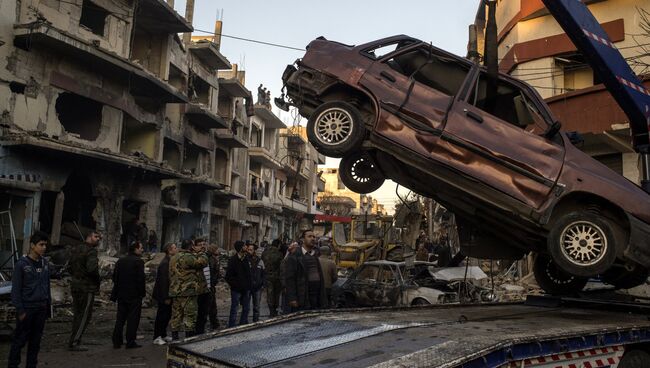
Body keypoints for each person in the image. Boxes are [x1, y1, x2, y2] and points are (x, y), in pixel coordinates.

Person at [9, 231, 51, 368]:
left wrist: (48, 307)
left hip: (41, 309)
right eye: (41, 245)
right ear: (33, 245)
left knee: (35, 342)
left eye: (45, 245)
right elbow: (15, 290)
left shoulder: (45, 263)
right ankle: (13, 365)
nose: (44, 247)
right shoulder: (21, 265)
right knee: (19, 341)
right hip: (27, 309)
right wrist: (20, 310)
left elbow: (47, 285)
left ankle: (31, 365)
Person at [68, 230, 101, 351]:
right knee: (84, 316)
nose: (98, 239)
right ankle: (75, 342)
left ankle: (74, 339)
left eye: (99, 237)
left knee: (78, 314)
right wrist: (97, 281)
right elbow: (92, 270)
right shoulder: (91, 251)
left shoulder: (75, 249)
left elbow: (69, 267)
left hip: (75, 285)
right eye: (96, 236)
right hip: (86, 287)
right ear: (89, 237)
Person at [169, 239, 208, 339]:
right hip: (188, 292)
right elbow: (202, 262)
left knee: (176, 316)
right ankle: (188, 338)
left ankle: (175, 338)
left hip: (176, 291)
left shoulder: (174, 257)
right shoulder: (188, 257)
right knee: (190, 315)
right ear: (191, 246)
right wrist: (201, 252)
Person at [111, 241, 146, 349]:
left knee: (120, 318)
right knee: (133, 319)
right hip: (134, 295)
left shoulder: (121, 261)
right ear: (135, 249)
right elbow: (140, 279)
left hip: (121, 294)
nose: (142, 250)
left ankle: (117, 341)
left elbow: (114, 277)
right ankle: (130, 341)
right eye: (141, 248)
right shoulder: (138, 262)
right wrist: (142, 293)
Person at [284, 230, 326, 312]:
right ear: (303, 239)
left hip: (316, 296)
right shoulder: (295, 256)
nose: (313, 239)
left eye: (314, 237)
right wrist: (292, 298)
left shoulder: (315, 255)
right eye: (309, 236)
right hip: (303, 296)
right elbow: (290, 279)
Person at [152, 243, 177, 345]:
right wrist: (166, 297)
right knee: (161, 315)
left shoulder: (170, 261)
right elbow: (163, 282)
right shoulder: (165, 264)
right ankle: (157, 336)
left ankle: (163, 334)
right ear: (169, 250)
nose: (177, 249)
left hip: (168, 294)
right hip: (164, 295)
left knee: (167, 315)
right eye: (175, 248)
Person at [225, 241, 252, 327]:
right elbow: (228, 276)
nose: (246, 247)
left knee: (246, 308)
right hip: (236, 290)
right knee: (234, 309)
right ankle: (231, 327)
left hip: (246, 289)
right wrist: (236, 285)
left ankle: (242, 325)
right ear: (240, 248)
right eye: (244, 246)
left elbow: (249, 273)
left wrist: (249, 285)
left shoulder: (246, 259)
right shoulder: (233, 260)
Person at [261, 239, 283, 317]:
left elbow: (262, 262)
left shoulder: (265, 252)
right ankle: (274, 311)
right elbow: (281, 267)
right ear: (278, 245)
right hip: (277, 277)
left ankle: (271, 311)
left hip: (267, 276)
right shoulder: (279, 254)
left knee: (269, 294)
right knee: (276, 294)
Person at [194, 238, 211, 335]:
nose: (202, 246)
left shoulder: (207, 256)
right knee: (197, 312)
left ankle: (201, 331)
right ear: (195, 246)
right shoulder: (194, 258)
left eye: (203, 244)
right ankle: (195, 332)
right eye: (199, 244)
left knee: (204, 312)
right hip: (198, 290)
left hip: (207, 289)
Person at [249, 244, 265, 322]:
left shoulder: (260, 261)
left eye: (251, 250)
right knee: (246, 307)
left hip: (258, 287)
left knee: (256, 307)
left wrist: (262, 284)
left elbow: (263, 273)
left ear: (254, 251)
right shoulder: (246, 260)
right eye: (248, 249)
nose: (249, 251)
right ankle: (244, 323)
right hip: (248, 287)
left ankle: (255, 322)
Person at [206, 245, 220, 330]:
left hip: (211, 285)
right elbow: (213, 272)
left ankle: (214, 323)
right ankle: (213, 323)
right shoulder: (211, 259)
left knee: (212, 305)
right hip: (210, 285)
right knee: (211, 306)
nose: (218, 251)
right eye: (216, 249)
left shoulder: (213, 258)